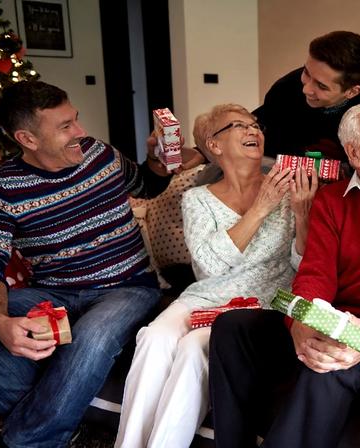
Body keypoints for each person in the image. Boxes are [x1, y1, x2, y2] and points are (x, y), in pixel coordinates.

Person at [208, 101, 360, 448]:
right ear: (354, 154)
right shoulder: (331, 199)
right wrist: (301, 323)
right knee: (232, 327)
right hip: (336, 322)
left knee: (326, 368)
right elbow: (315, 274)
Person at [0, 81, 178, 447]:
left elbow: (146, 185)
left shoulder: (99, 154)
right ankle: (47, 424)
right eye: (65, 126)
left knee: (94, 335)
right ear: (28, 139)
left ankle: (27, 439)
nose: (81, 133)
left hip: (128, 286)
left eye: (76, 120)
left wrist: (158, 161)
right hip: (55, 292)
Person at [114, 104, 317, 448]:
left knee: (195, 348)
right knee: (153, 337)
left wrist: (301, 214)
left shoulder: (289, 191)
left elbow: (304, 265)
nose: (254, 131)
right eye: (239, 125)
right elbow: (208, 266)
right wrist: (260, 209)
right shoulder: (196, 199)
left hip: (260, 301)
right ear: (215, 144)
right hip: (206, 294)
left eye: (256, 125)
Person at [256, 30, 360, 163]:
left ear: (352, 92)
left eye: (321, 86)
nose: (306, 89)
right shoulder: (284, 90)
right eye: (306, 73)